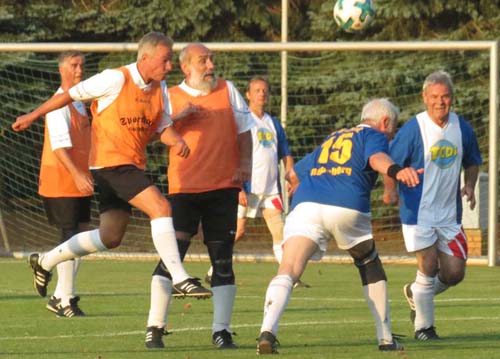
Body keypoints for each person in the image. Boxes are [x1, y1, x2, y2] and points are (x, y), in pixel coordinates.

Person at [12, 32, 211, 303]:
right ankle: (179, 278)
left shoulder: (159, 88)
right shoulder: (115, 78)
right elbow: (68, 96)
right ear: (145, 57)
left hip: (129, 166)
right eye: (165, 61)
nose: (169, 67)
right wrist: (33, 115)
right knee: (161, 207)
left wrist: (176, 140)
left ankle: (45, 261)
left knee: (111, 236)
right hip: (110, 164)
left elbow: (162, 126)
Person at [256, 98, 423, 355]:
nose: (392, 135)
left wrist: (298, 188)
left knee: (288, 268)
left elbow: (294, 175)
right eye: (393, 128)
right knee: (369, 263)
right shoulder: (374, 135)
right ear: (385, 122)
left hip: (306, 205)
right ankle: (386, 339)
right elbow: (377, 158)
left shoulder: (333, 137)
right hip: (345, 205)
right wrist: (396, 170)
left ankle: (267, 332)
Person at [144, 43, 254, 350]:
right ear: (186, 67)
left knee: (222, 260)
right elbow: (153, 132)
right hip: (184, 191)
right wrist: (179, 117)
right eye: (203, 60)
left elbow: (245, 131)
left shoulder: (228, 90)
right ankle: (155, 327)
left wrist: (244, 165)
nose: (210, 65)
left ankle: (222, 331)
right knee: (171, 258)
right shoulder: (169, 95)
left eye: (211, 60)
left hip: (223, 188)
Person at [383, 71, 482, 341]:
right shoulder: (413, 129)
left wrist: (470, 185)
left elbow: (472, 161)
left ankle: (416, 292)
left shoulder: (462, 128)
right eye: (435, 97)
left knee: (454, 272)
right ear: (425, 98)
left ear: (452, 98)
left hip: (450, 215)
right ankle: (424, 328)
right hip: (418, 213)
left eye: (445, 96)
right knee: (427, 266)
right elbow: (390, 163)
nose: (440, 102)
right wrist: (390, 190)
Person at [205, 76, 308, 287]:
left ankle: (289, 276)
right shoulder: (243, 123)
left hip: (271, 190)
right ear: (248, 95)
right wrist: (238, 188)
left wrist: (290, 171)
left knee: (280, 232)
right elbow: (232, 155)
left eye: (265, 90)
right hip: (248, 188)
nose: (262, 94)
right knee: (238, 231)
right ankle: (213, 268)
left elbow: (285, 153)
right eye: (257, 90)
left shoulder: (273, 123)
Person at [39, 51, 93, 317]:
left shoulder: (82, 103)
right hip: (61, 180)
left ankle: (60, 295)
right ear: (62, 69)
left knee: (83, 238)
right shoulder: (58, 104)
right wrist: (77, 174)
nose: (80, 69)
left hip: (81, 180)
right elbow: (59, 147)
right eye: (74, 65)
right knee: (70, 237)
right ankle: (65, 300)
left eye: (82, 65)